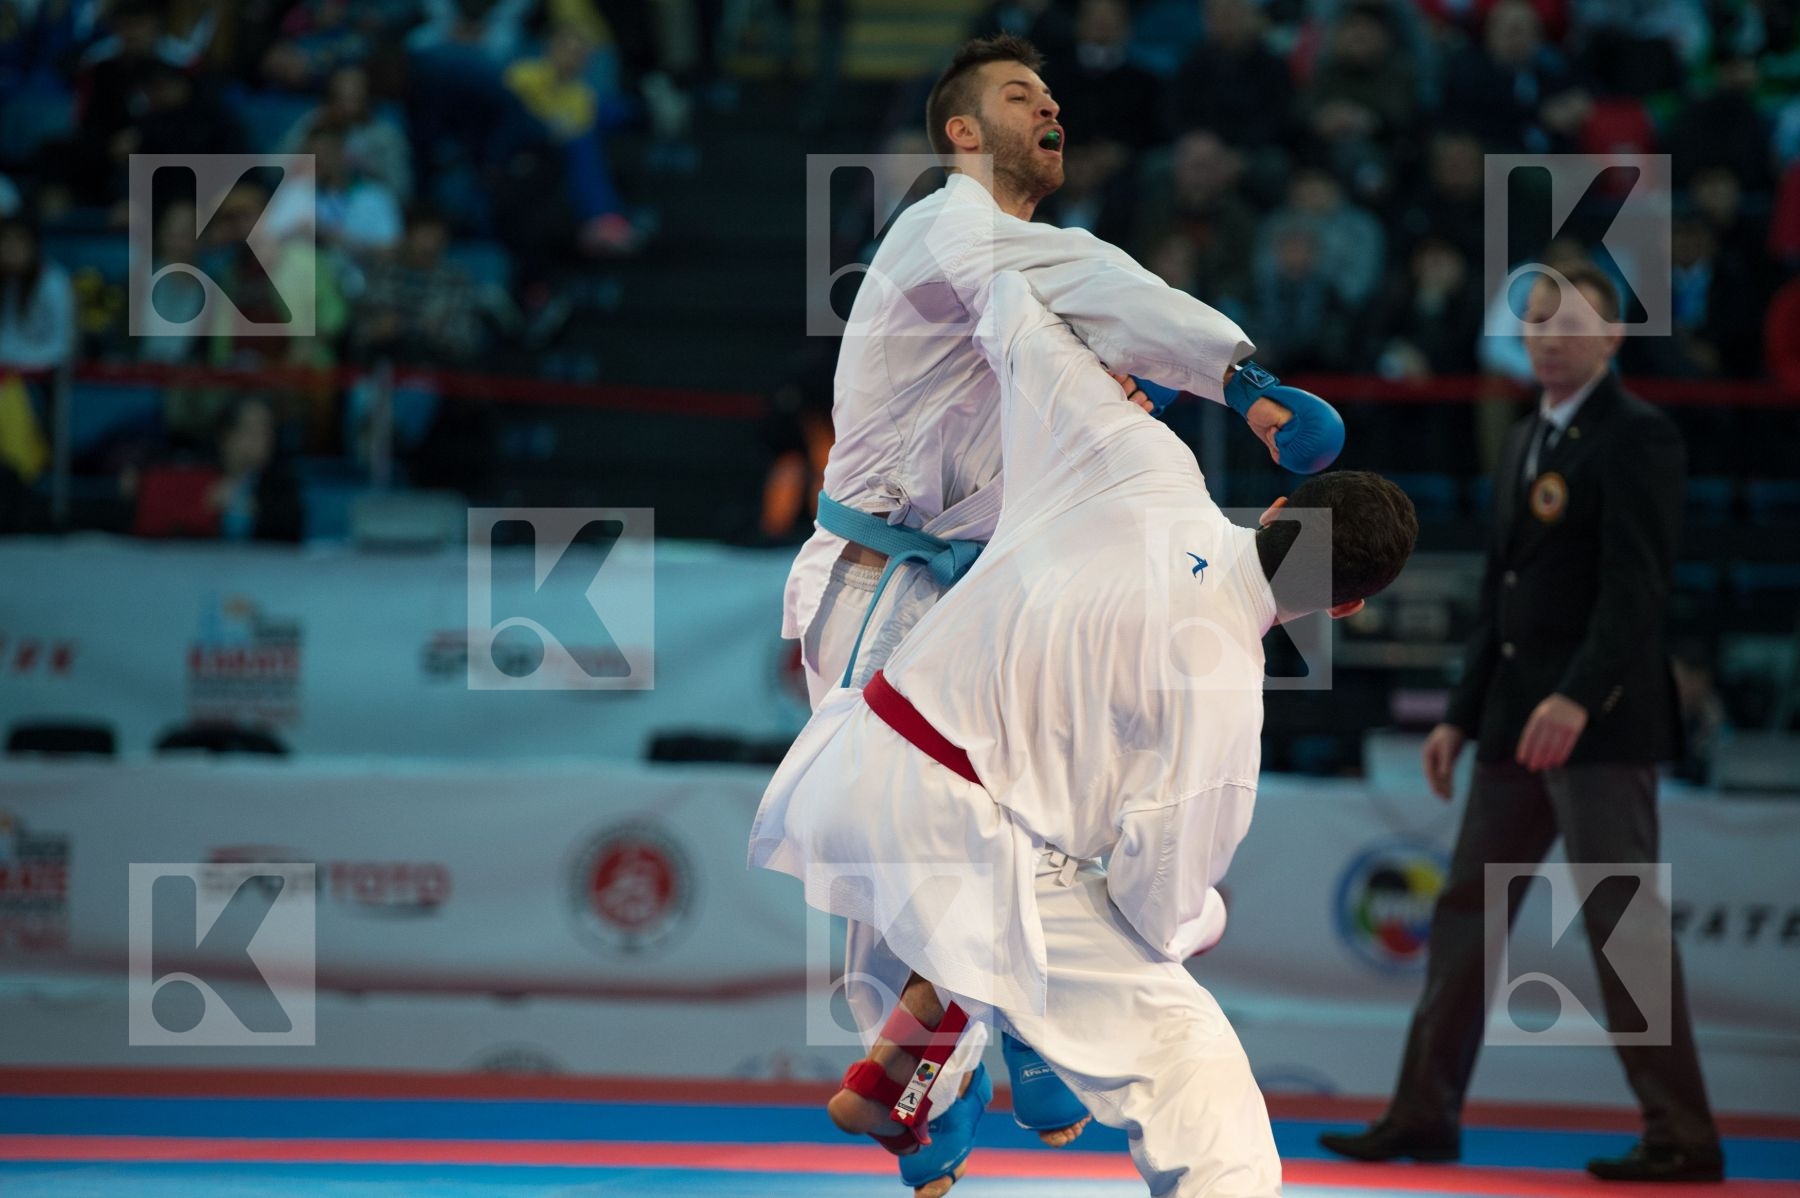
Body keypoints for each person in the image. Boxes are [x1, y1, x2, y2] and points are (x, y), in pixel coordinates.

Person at [783, 33, 1344, 1195]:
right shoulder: (946, 223)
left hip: (978, 589)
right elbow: (1081, 282)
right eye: (1017, 95)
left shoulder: (1031, 269)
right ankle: (976, 1053)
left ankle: (969, 1050)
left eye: (1053, 99)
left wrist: (1154, 376)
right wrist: (1238, 382)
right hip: (882, 586)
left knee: (1049, 813)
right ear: (960, 132)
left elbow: (1072, 312)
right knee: (956, 839)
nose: (1049, 111)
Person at [752, 272, 1418, 1197]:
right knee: (1192, 1055)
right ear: (1343, 606)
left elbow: (1028, 322)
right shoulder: (1224, 699)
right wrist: (1196, 919)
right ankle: (1025, 1032)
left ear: (1273, 509)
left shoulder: (1148, 467)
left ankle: (926, 1052)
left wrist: (1177, 373)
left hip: (855, 750)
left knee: (1042, 866)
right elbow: (1153, 908)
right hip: (954, 831)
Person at [1319, 260, 1723, 1183]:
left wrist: (1579, 697)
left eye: (1568, 321)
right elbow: (1502, 598)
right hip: (1512, 721)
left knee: (1621, 922)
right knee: (1464, 914)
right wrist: (1459, 718)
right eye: (1535, 320)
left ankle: (1684, 1132)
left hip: (1600, 724)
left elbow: (1636, 593)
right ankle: (1423, 1114)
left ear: (1614, 337)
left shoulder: (1638, 437)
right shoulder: (1522, 439)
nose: (1547, 335)